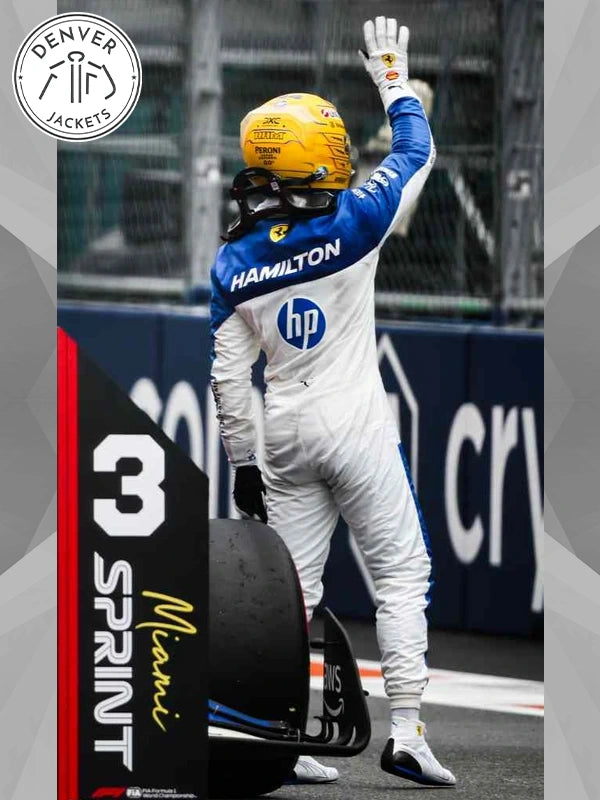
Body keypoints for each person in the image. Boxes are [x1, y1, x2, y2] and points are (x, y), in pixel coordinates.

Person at [210, 16, 456, 788]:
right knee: (403, 573)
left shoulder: (231, 260)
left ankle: (286, 738)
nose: (344, 155)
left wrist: (243, 463)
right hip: (356, 424)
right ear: (315, 158)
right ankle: (407, 732)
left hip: (282, 432)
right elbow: (415, 153)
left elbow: (229, 382)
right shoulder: (357, 222)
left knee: (293, 594)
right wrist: (392, 80)